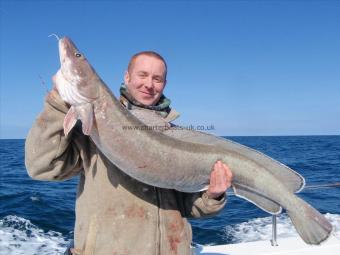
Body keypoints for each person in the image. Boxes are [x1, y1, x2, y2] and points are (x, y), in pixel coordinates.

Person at [25, 51, 233, 255]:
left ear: (164, 84)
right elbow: (42, 166)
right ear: (127, 76)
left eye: (157, 78)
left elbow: (190, 208)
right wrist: (58, 103)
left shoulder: (176, 137)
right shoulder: (90, 126)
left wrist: (212, 195)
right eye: (142, 75)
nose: (149, 84)